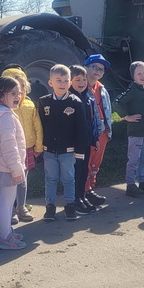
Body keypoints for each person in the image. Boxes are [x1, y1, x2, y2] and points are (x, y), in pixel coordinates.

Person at [38, 64, 90, 221]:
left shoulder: (76, 102)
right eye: (58, 80)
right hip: (49, 150)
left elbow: (82, 129)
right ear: (50, 82)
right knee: (51, 179)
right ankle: (50, 207)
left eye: (66, 81)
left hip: (68, 151)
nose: (62, 84)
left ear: (70, 83)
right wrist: (39, 146)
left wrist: (79, 151)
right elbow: (40, 126)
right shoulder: (43, 102)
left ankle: (69, 206)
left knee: (68, 179)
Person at [0, 76, 28, 250]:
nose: (18, 96)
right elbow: (9, 147)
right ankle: (5, 237)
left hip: (5, 166)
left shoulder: (3, 114)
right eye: (13, 93)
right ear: (1, 95)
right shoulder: (6, 118)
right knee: (7, 204)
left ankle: (7, 232)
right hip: (8, 168)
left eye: (19, 93)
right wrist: (16, 169)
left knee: (7, 202)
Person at [0, 66, 42, 224]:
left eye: (23, 86)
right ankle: (9, 209)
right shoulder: (1, 108)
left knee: (23, 179)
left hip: (26, 148)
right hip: (9, 150)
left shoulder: (30, 105)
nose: (20, 91)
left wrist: (38, 146)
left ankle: (21, 207)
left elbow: (37, 126)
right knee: (9, 180)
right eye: (15, 88)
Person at [114, 61, 144, 197]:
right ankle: (131, 184)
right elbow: (116, 103)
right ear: (133, 76)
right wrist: (126, 116)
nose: (143, 76)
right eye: (139, 73)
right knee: (134, 159)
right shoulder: (133, 90)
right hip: (136, 132)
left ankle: (143, 181)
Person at [68, 65, 99, 213]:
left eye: (84, 79)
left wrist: (94, 138)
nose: (82, 83)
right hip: (74, 144)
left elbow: (91, 121)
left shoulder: (87, 97)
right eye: (77, 80)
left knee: (84, 170)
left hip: (86, 142)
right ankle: (75, 200)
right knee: (76, 171)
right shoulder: (69, 99)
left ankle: (81, 196)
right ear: (70, 81)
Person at [83, 54, 112, 206]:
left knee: (95, 163)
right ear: (86, 67)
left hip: (102, 131)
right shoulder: (80, 87)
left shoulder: (102, 89)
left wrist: (108, 129)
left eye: (101, 69)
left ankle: (90, 189)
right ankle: (83, 191)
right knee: (86, 162)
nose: (98, 71)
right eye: (94, 67)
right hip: (88, 132)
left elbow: (107, 109)